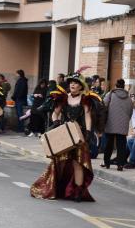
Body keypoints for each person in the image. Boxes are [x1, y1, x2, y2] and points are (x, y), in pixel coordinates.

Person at [30, 72, 99, 202]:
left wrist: (89, 133)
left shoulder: (85, 99)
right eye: (71, 82)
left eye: (76, 83)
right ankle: (57, 188)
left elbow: (87, 116)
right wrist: (56, 122)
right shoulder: (63, 98)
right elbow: (55, 114)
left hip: (79, 135)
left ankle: (77, 191)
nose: (73, 84)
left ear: (81, 86)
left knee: (77, 163)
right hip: (65, 134)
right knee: (59, 162)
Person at [102, 79, 133, 171]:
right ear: (124, 87)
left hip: (111, 123)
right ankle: (120, 165)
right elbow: (130, 112)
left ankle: (107, 162)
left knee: (109, 144)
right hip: (123, 125)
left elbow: (103, 105)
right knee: (121, 146)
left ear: (116, 86)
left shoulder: (110, 94)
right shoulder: (128, 98)